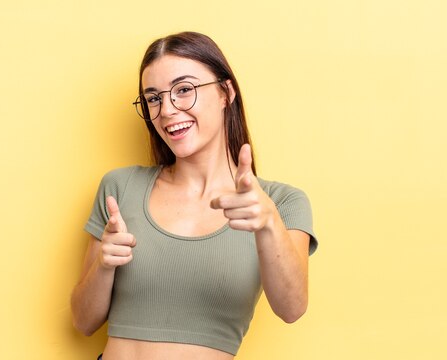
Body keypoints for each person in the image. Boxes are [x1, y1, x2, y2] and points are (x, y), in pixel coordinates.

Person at [71, 31, 318, 360]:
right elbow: (83, 321)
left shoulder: (281, 202)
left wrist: (268, 222)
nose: (168, 110)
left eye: (184, 90)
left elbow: (292, 308)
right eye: (154, 98)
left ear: (224, 92)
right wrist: (104, 265)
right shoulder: (120, 187)